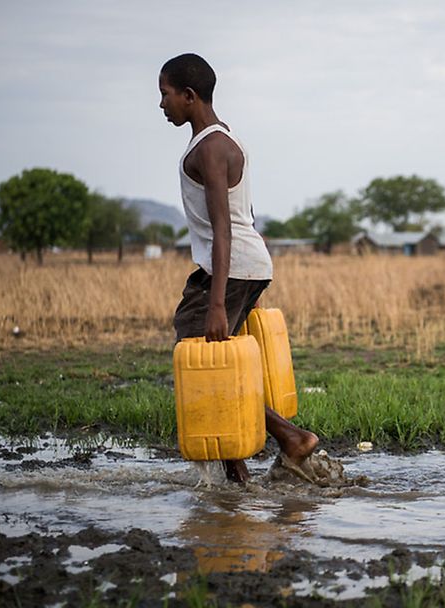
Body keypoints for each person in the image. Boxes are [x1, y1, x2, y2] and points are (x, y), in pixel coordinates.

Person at [159, 53, 319, 483]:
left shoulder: (210, 148)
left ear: (189, 96)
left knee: (202, 354)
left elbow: (224, 227)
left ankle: (289, 439)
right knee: (212, 359)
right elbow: (247, 214)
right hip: (245, 265)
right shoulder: (228, 140)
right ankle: (237, 473)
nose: (162, 105)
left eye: (166, 94)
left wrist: (216, 302)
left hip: (228, 267)